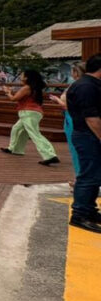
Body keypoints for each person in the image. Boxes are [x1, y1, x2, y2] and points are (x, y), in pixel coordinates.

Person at [65, 54, 101, 232]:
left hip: (90, 136)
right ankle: (79, 215)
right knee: (88, 176)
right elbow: (92, 118)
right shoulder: (86, 87)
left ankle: (90, 210)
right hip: (88, 136)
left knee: (95, 176)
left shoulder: (91, 85)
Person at [0, 70, 59, 165]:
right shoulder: (33, 88)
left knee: (35, 134)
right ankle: (15, 149)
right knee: (17, 129)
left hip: (28, 113)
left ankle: (50, 155)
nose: (20, 77)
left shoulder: (26, 88)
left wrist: (7, 92)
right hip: (33, 113)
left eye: (22, 75)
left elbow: (13, 99)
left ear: (27, 78)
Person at [50, 62, 85, 179]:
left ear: (76, 72)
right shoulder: (86, 85)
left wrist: (57, 100)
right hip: (73, 117)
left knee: (76, 149)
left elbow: (69, 106)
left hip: (72, 117)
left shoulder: (77, 86)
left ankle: (80, 178)